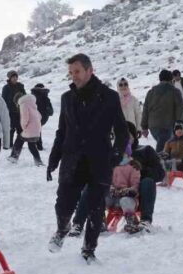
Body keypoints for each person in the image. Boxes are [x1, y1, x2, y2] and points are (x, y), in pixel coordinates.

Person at [46, 53, 128, 262]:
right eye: (71, 72)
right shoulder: (66, 98)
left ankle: (89, 250)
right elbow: (61, 132)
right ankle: (62, 229)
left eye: (77, 71)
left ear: (90, 70)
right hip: (72, 161)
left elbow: (121, 130)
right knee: (63, 204)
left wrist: (117, 154)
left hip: (99, 160)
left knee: (95, 207)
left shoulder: (109, 97)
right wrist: (54, 158)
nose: (74, 76)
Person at [141, 69, 183, 152]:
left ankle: (163, 162)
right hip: (167, 125)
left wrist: (144, 127)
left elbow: (145, 109)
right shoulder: (175, 91)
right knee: (162, 150)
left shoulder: (151, 92)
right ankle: (157, 163)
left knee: (165, 146)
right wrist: (179, 122)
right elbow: (180, 108)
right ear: (171, 79)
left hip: (153, 126)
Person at [107, 151, 141, 234]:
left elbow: (135, 185)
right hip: (113, 197)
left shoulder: (132, 166)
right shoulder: (111, 165)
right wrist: (110, 189)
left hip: (129, 197)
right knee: (101, 198)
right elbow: (107, 181)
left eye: (123, 153)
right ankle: (100, 222)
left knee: (125, 201)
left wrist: (126, 191)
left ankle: (131, 222)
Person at [8, 92, 43, 166]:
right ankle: (38, 161)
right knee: (31, 144)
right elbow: (40, 116)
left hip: (29, 128)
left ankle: (14, 157)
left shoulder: (23, 104)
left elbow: (25, 118)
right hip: (36, 128)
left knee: (19, 139)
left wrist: (24, 127)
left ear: (18, 100)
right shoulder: (32, 103)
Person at [1, 70, 25, 147]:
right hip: (10, 111)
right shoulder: (6, 88)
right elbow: (3, 100)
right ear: (9, 78)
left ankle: (18, 145)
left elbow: (25, 97)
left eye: (16, 77)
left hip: (20, 111)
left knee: (20, 129)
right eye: (13, 77)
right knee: (11, 129)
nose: (15, 78)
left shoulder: (20, 86)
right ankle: (9, 144)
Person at [31, 83, 53, 151]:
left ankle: (37, 146)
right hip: (44, 117)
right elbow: (51, 111)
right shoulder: (46, 97)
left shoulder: (33, 97)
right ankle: (38, 145)